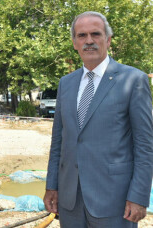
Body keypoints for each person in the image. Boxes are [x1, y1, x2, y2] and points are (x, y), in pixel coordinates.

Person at [43, 11, 153, 227]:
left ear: (108, 40)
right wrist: (52, 186)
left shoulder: (133, 79)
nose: (89, 41)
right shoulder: (66, 83)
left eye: (96, 34)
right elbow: (58, 142)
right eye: (82, 36)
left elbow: (144, 145)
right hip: (70, 201)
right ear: (74, 43)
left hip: (115, 201)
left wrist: (139, 195)